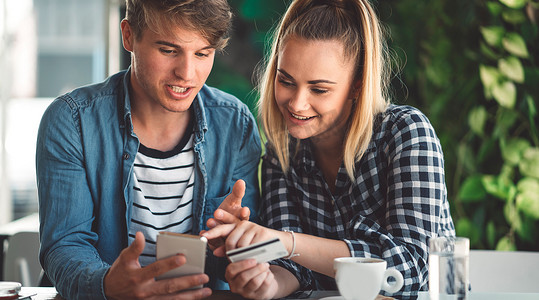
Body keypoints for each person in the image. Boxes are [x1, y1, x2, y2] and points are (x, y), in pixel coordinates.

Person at [202, 0, 456, 298]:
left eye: (319, 89)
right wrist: (267, 284)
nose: (297, 104)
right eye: (286, 81)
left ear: (358, 85)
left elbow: (413, 270)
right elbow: (294, 269)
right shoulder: (282, 152)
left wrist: (288, 242)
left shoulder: (407, 134)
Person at [35, 0, 261, 299]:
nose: (187, 73)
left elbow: (245, 260)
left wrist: (234, 246)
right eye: (168, 50)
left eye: (203, 53)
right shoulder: (72, 120)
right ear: (128, 36)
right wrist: (106, 285)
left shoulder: (235, 123)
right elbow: (65, 245)